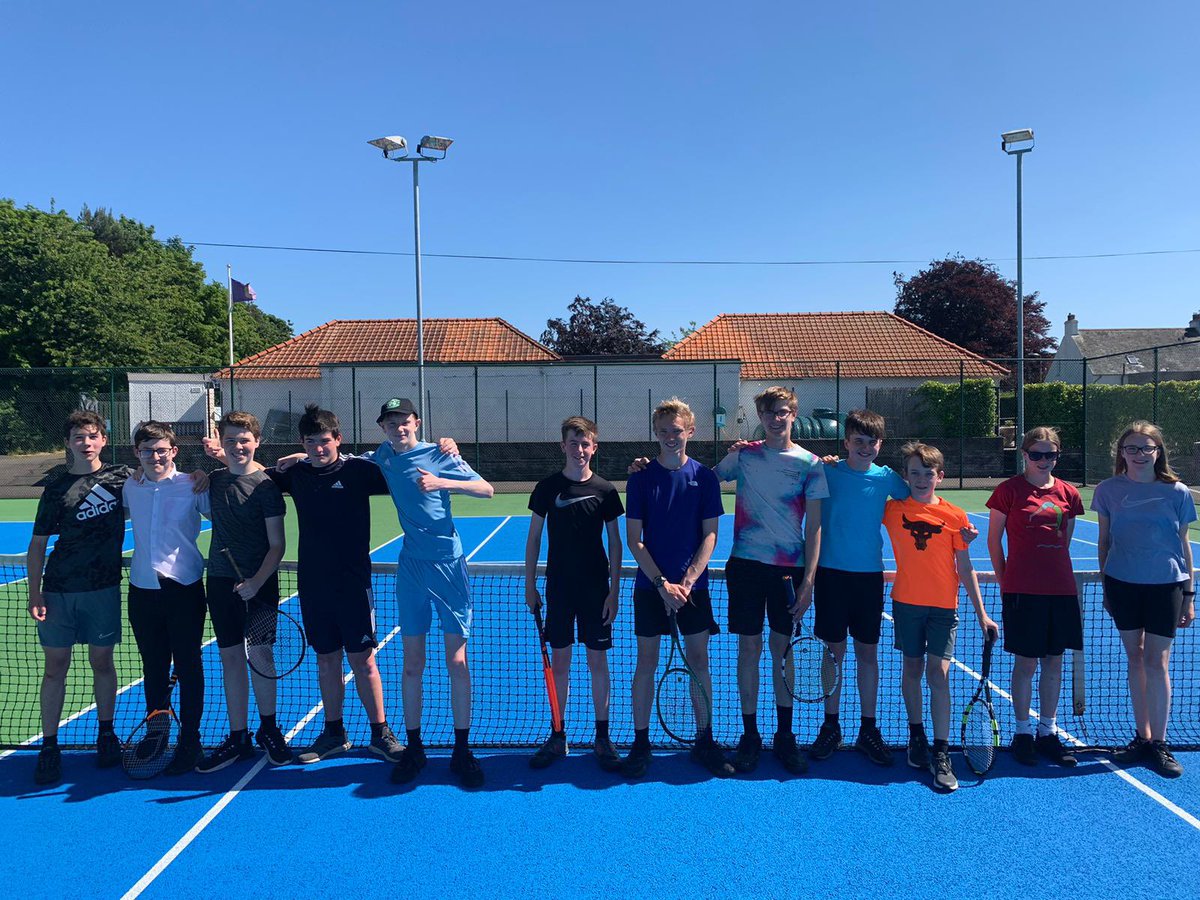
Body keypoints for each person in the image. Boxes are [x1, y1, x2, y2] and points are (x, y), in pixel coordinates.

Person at [259, 404, 404, 766]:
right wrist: (206, 468)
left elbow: (404, 462)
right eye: (310, 442)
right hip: (313, 585)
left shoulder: (359, 471)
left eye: (325, 441)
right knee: (326, 661)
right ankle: (334, 733)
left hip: (354, 585)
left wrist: (445, 446)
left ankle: (380, 734)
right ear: (302, 443)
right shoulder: (296, 474)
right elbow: (253, 474)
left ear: (338, 439)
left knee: (364, 661)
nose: (319, 448)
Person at [368, 398, 495, 789]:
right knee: (411, 664)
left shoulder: (440, 453)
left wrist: (443, 482)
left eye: (403, 421)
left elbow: (486, 489)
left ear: (416, 422)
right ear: (385, 429)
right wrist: (289, 460)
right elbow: (333, 455)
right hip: (411, 568)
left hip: (447, 566)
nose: (397, 428)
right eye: (390, 423)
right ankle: (415, 748)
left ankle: (461, 750)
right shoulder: (382, 457)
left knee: (456, 661)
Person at [713, 386, 828, 775]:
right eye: (769, 413)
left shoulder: (811, 464)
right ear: (760, 417)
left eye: (783, 412)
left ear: (794, 414)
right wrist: (651, 468)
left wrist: (808, 581)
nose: (776, 419)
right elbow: (702, 480)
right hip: (745, 565)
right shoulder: (745, 456)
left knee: (782, 652)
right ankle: (750, 736)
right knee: (749, 650)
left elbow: (814, 528)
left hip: (788, 572)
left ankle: (784, 736)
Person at [622, 399, 733, 779]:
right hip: (649, 588)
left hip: (693, 590)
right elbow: (634, 540)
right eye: (664, 431)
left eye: (677, 430)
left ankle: (705, 740)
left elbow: (711, 535)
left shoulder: (705, 478)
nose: (671, 437)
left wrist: (684, 583)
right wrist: (660, 584)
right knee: (646, 664)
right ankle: (640, 744)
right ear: (656, 433)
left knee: (699, 662)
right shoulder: (639, 479)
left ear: (691, 431)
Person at [26, 410, 135, 785]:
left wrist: (204, 471)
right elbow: (38, 546)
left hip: (103, 589)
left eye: (92, 436)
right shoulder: (55, 489)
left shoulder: (121, 477)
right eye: (78, 437)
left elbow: (163, 477)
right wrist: (35, 592)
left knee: (102, 663)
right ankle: (50, 746)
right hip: (59, 592)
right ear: (69, 443)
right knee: (55, 668)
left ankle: (107, 734)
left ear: (103, 439)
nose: (85, 442)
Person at [883, 442, 997, 792]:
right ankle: (917, 736)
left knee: (939, 674)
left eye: (927, 473)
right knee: (912, 670)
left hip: (944, 608)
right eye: (914, 473)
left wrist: (982, 614)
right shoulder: (892, 510)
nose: (921, 479)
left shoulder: (956, 518)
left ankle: (942, 752)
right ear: (905, 477)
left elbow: (965, 568)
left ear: (940, 477)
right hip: (906, 603)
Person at [1092, 421, 1197, 778]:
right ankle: (1142, 736)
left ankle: (1160, 743)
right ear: (1121, 453)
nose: (1139, 455)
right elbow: (1103, 544)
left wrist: (1189, 594)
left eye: (1146, 448)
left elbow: (1183, 545)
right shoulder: (1107, 490)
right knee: (1134, 659)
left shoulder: (1178, 492)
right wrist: (1107, 588)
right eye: (1132, 448)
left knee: (1157, 662)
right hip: (1122, 584)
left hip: (1167, 586)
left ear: (1158, 452)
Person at [809, 409, 910, 766]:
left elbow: (921, 495)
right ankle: (831, 725)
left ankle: (869, 729)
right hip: (831, 576)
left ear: (879, 445)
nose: (865, 448)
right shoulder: (829, 472)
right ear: (846, 442)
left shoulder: (888, 479)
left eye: (871, 442)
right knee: (832, 654)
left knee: (868, 654)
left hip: (869, 578)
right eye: (858, 441)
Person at [524, 416, 624, 771]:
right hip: (559, 589)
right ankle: (558, 734)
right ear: (562, 446)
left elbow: (615, 542)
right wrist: (529, 584)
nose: (579, 450)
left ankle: (602, 737)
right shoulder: (547, 488)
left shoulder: (606, 490)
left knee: (598, 661)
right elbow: (534, 538)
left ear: (593, 448)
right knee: (561, 663)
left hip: (596, 590)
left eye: (586, 444)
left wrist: (613, 591)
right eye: (573, 443)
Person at [196, 411, 290, 773]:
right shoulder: (212, 481)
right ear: (221, 442)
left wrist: (256, 582)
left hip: (261, 584)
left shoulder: (267, 487)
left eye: (244, 440)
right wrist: (202, 472)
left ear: (257, 443)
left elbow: (277, 545)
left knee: (262, 659)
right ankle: (239, 736)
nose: (238, 446)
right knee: (231, 659)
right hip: (220, 582)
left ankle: (269, 729)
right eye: (231, 440)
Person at [986, 426, 1084, 767]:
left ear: (1058, 456)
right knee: (1025, 663)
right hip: (1022, 590)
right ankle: (1023, 732)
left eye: (1051, 455)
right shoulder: (1008, 491)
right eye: (1037, 454)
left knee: (1054, 662)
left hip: (1060, 589)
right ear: (1024, 454)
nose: (1044, 461)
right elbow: (993, 541)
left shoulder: (1069, 494)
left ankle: (1048, 731)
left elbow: (1064, 540)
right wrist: (1005, 580)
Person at [123, 421, 210, 776]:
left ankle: (190, 740)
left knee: (189, 667)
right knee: (153, 666)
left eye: (162, 450)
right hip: (142, 590)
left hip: (184, 588)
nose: (155, 456)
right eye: (147, 450)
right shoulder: (129, 486)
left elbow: (228, 515)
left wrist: (211, 470)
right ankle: (157, 733)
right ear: (137, 453)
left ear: (174, 452)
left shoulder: (193, 485)